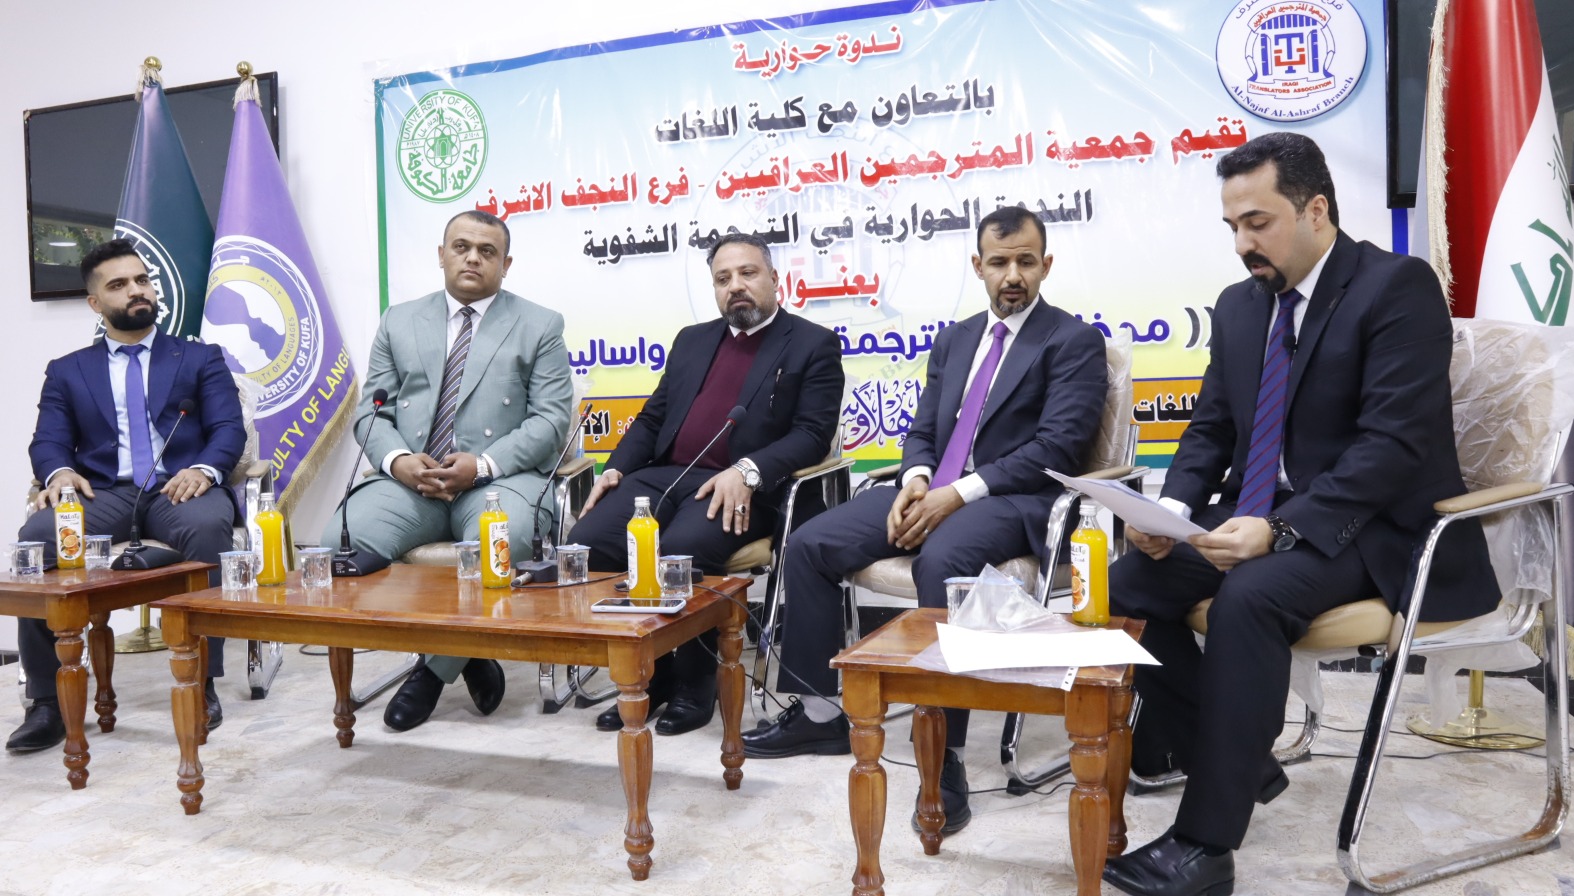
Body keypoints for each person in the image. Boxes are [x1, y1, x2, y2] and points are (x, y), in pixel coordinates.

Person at [1101, 132, 1498, 896]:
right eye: (1232, 227)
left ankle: (1204, 847)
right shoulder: (1239, 307)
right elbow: (1212, 427)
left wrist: (1280, 530)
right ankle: (1240, 757)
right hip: (1264, 510)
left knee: (1250, 597)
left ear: (1316, 210)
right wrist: (1169, 510)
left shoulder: (1396, 287)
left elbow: (1393, 446)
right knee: (1126, 586)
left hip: (1375, 527)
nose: (1242, 244)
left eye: (1258, 222)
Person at [742, 206, 1109, 834]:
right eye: (999, 262)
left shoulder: (1072, 341)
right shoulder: (956, 338)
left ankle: (946, 755)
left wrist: (956, 494)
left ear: (1046, 265)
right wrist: (916, 480)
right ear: (978, 266)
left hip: (1012, 499)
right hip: (933, 489)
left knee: (943, 562)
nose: (1013, 275)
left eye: (1026, 261)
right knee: (807, 543)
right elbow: (923, 431)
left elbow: (1058, 447)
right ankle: (822, 714)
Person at [570, 232, 844, 736]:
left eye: (747, 273)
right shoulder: (692, 340)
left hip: (745, 486)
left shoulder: (812, 343)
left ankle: (695, 683)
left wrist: (747, 470)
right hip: (664, 477)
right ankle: (649, 674)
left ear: (774, 279)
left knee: (680, 551)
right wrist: (615, 468)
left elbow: (812, 434)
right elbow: (653, 418)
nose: (735, 286)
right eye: (723, 278)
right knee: (588, 541)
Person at [326, 210, 572, 732]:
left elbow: (551, 420)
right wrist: (399, 461)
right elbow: (371, 413)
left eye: (487, 251)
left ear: (506, 264)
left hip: (500, 480)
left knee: (504, 541)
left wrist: (482, 465)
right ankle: (470, 651)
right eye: (461, 247)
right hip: (411, 482)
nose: (472, 258)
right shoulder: (399, 320)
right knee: (337, 547)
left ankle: (433, 672)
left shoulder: (540, 324)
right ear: (441, 255)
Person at [12, 239, 246, 752]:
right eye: (119, 285)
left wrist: (205, 469)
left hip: (178, 487)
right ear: (95, 303)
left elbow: (229, 428)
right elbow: (48, 440)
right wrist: (59, 472)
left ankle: (200, 680)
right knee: (37, 538)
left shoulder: (199, 357)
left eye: (142, 280)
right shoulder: (68, 370)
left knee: (207, 529)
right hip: (105, 492)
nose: (136, 290)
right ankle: (47, 700)